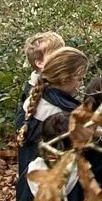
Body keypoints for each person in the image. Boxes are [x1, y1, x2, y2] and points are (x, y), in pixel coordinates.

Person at [15, 47, 88, 178]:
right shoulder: (59, 114)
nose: (81, 84)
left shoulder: (35, 97)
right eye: (79, 79)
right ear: (65, 78)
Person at [15, 32, 66, 132]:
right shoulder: (36, 93)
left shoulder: (58, 85)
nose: (63, 59)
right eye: (56, 56)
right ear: (40, 63)